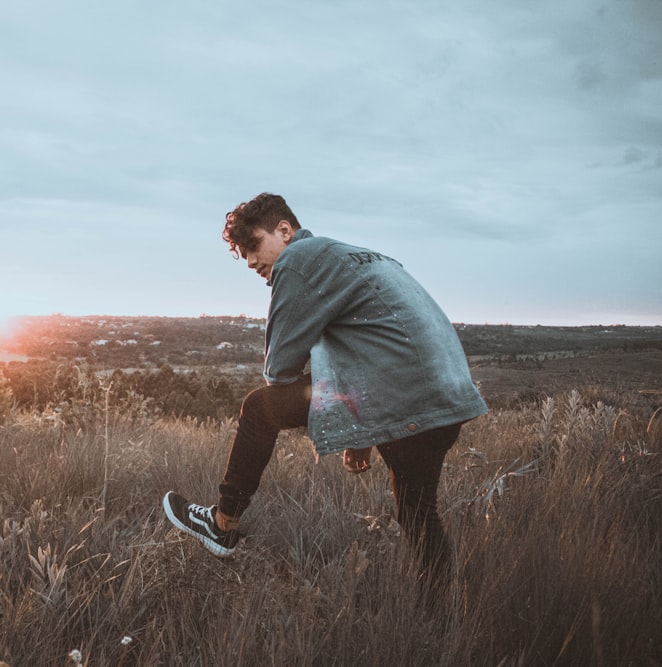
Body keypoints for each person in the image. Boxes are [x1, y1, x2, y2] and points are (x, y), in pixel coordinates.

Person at [162, 193, 488, 589]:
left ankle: (222, 523)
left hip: (404, 394)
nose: (249, 261)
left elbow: (279, 371)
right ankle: (438, 618)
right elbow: (372, 347)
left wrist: (357, 424)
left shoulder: (298, 260)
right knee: (419, 515)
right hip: (444, 398)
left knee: (259, 408)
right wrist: (361, 431)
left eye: (253, 245)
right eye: (242, 252)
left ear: (285, 230)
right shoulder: (359, 255)